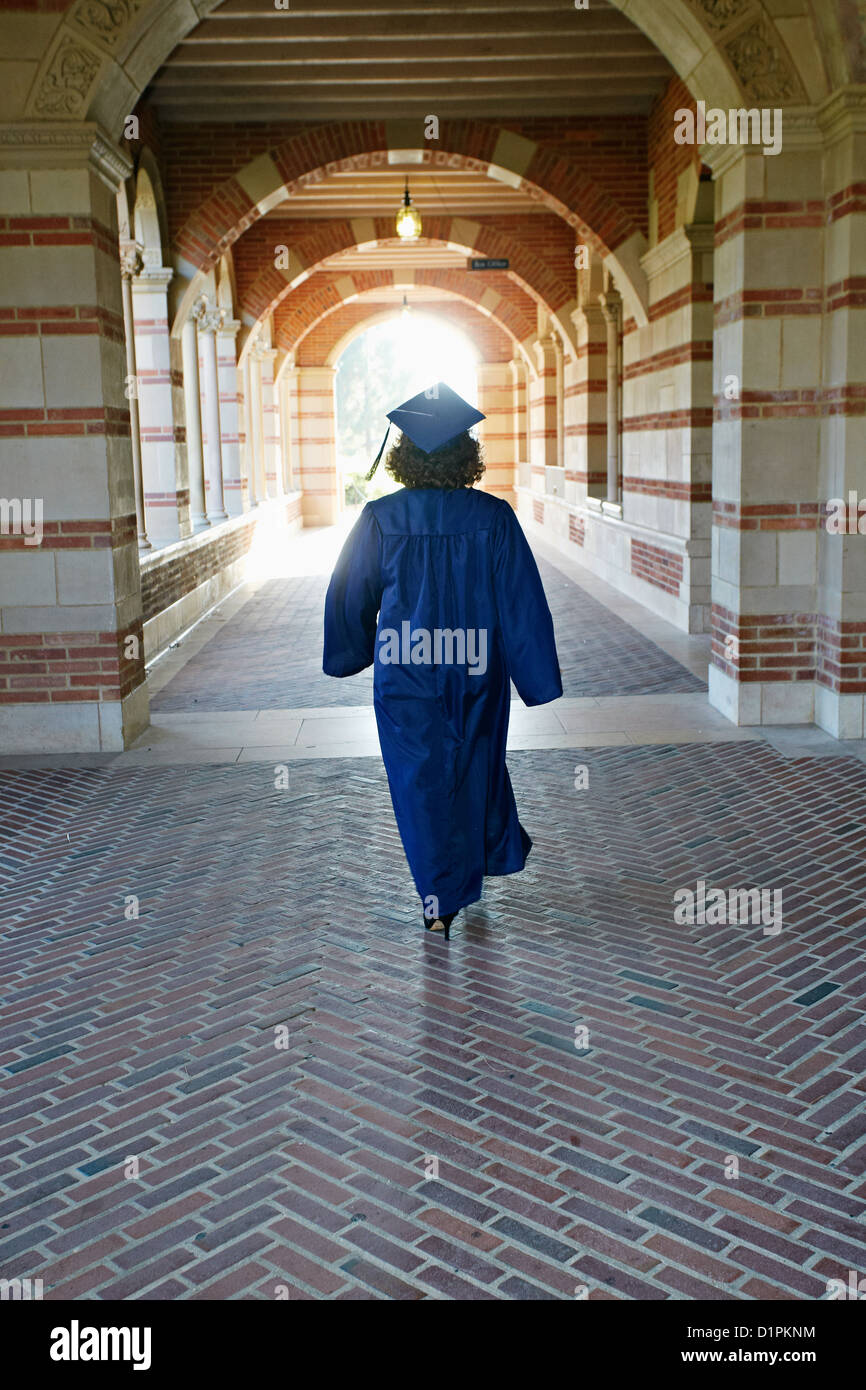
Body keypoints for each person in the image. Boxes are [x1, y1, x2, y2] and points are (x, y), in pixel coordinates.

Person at [323, 382, 562, 939]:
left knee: (419, 781)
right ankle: (455, 882)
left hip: (405, 671)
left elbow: (347, 593)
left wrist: (352, 650)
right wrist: (535, 675)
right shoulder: (494, 517)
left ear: (405, 456)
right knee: (474, 766)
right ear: (465, 455)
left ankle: (438, 895)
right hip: (477, 669)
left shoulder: (380, 518)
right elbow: (520, 600)